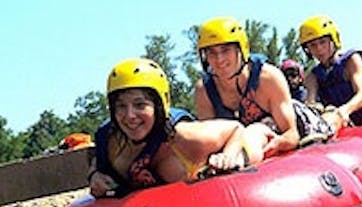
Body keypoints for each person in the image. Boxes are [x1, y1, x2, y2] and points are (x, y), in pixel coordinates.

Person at [88, 58, 259, 198]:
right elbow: (96, 161)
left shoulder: (185, 136)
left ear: (159, 106)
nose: (130, 115)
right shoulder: (110, 139)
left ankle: (267, 131)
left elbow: (236, 129)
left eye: (140, 105)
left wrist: (228, 155)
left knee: (254, 138)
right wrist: (94, 175)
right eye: (121, 106)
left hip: (205, 163)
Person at [194, 17, 333, 158]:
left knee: (258, 129)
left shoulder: (268, 77)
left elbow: (291, 135)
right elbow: (211, 143)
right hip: (238, 148)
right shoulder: (204, 91)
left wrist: (277, 143)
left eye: (225, 50)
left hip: (296, 126)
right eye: (211, 52)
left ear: (241, 49)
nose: (219, 59)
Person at [299, 15, 362, 131]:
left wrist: (343, 111)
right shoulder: (312, 76)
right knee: (328, 116)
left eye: (323, 42)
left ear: (333, 40)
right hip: (346, 123)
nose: (319, 49)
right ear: (307, 50)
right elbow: (311, 102)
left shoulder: (351, 60)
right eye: (313, 45)